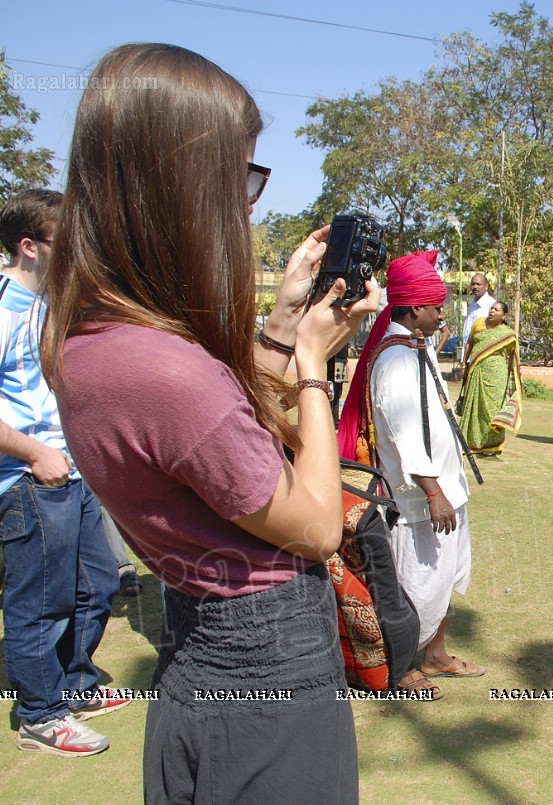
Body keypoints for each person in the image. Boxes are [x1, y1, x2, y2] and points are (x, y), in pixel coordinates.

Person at [41, 44, 370, 798]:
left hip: (198, 650)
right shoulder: (165, 368)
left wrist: (285, 321)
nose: (247, 203)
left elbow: (208, 422)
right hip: (271, 671)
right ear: (181, 185)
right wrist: (314, 366)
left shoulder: (92, 336)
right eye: (242, 177)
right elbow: (318, 527)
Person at [1, 189, 125, 757]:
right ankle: (40, 716)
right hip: (30, 480)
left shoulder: (51, 306)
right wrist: (32, 452)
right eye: (64, 241)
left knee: (98, 585)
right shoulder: (2, 309)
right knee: (40, 602)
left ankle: (72, 682)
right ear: (29, 247)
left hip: (71, 476)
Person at [338, 251, 483, 702]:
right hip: (422, 498)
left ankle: (435, 655)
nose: (442, 314)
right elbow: (403, 433)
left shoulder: (414, 348)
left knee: (445, 578)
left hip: (445, 490)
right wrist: (433, 490)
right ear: (415, 308)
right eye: (436, 306)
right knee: (418, 585)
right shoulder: (395, 359)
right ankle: (399, 670)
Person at [459, 301, 520, 456]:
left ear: (503, 315)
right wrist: (464, 364)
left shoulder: (507, 333)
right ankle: (471, 443)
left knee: (492, 408)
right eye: (491, 308)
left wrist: (512, 375)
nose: (492, 311)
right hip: (476, 369)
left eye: (496, 309)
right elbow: (470, 344)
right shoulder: (479, 323)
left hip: (496, 373)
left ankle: (492, 446)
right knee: (474, 406)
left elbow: (514, 355)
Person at [461, 272, 496, 341]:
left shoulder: (491, 304)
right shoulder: (473, 304)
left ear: (486, 286)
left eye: (478, 284)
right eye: (473, 284)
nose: (475, 287)